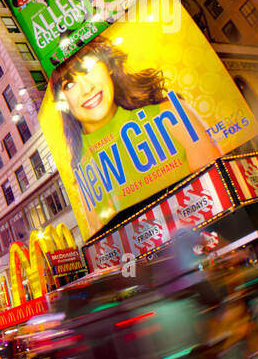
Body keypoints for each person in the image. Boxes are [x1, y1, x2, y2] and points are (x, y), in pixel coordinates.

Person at [47, 36, 221, 229]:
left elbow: (216, 186)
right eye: (69, 85)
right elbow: (101, 235)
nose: (86, 89)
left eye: (88, 69)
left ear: (108, 67)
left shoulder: (169, 113)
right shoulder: (83, 167)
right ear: (64, 102)